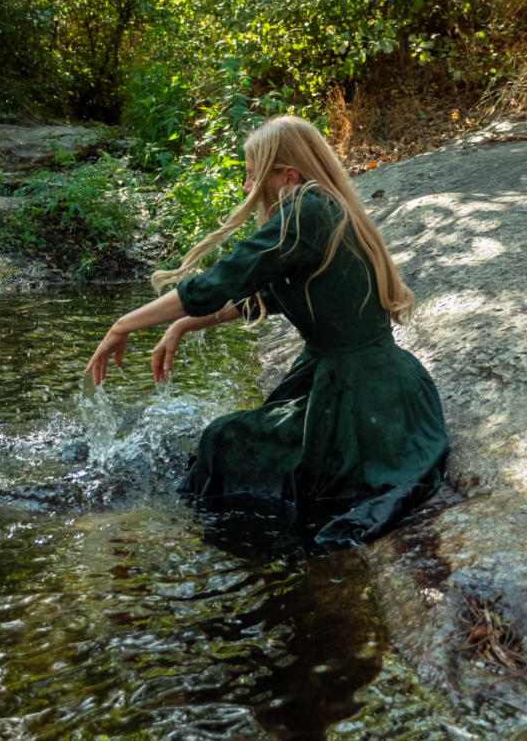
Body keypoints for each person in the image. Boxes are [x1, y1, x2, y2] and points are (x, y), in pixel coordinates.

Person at [85, 115, 448, 548]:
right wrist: (183, 324)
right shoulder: (325, 208)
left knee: (222, 439)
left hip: (361, 400)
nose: (245, 188)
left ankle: (184, 540)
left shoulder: (307, 211)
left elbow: (223, 278)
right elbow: (267, 295)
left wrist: (123, 324)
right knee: (231, 442)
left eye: (252, 176)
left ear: (287, 175)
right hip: (368, 383)